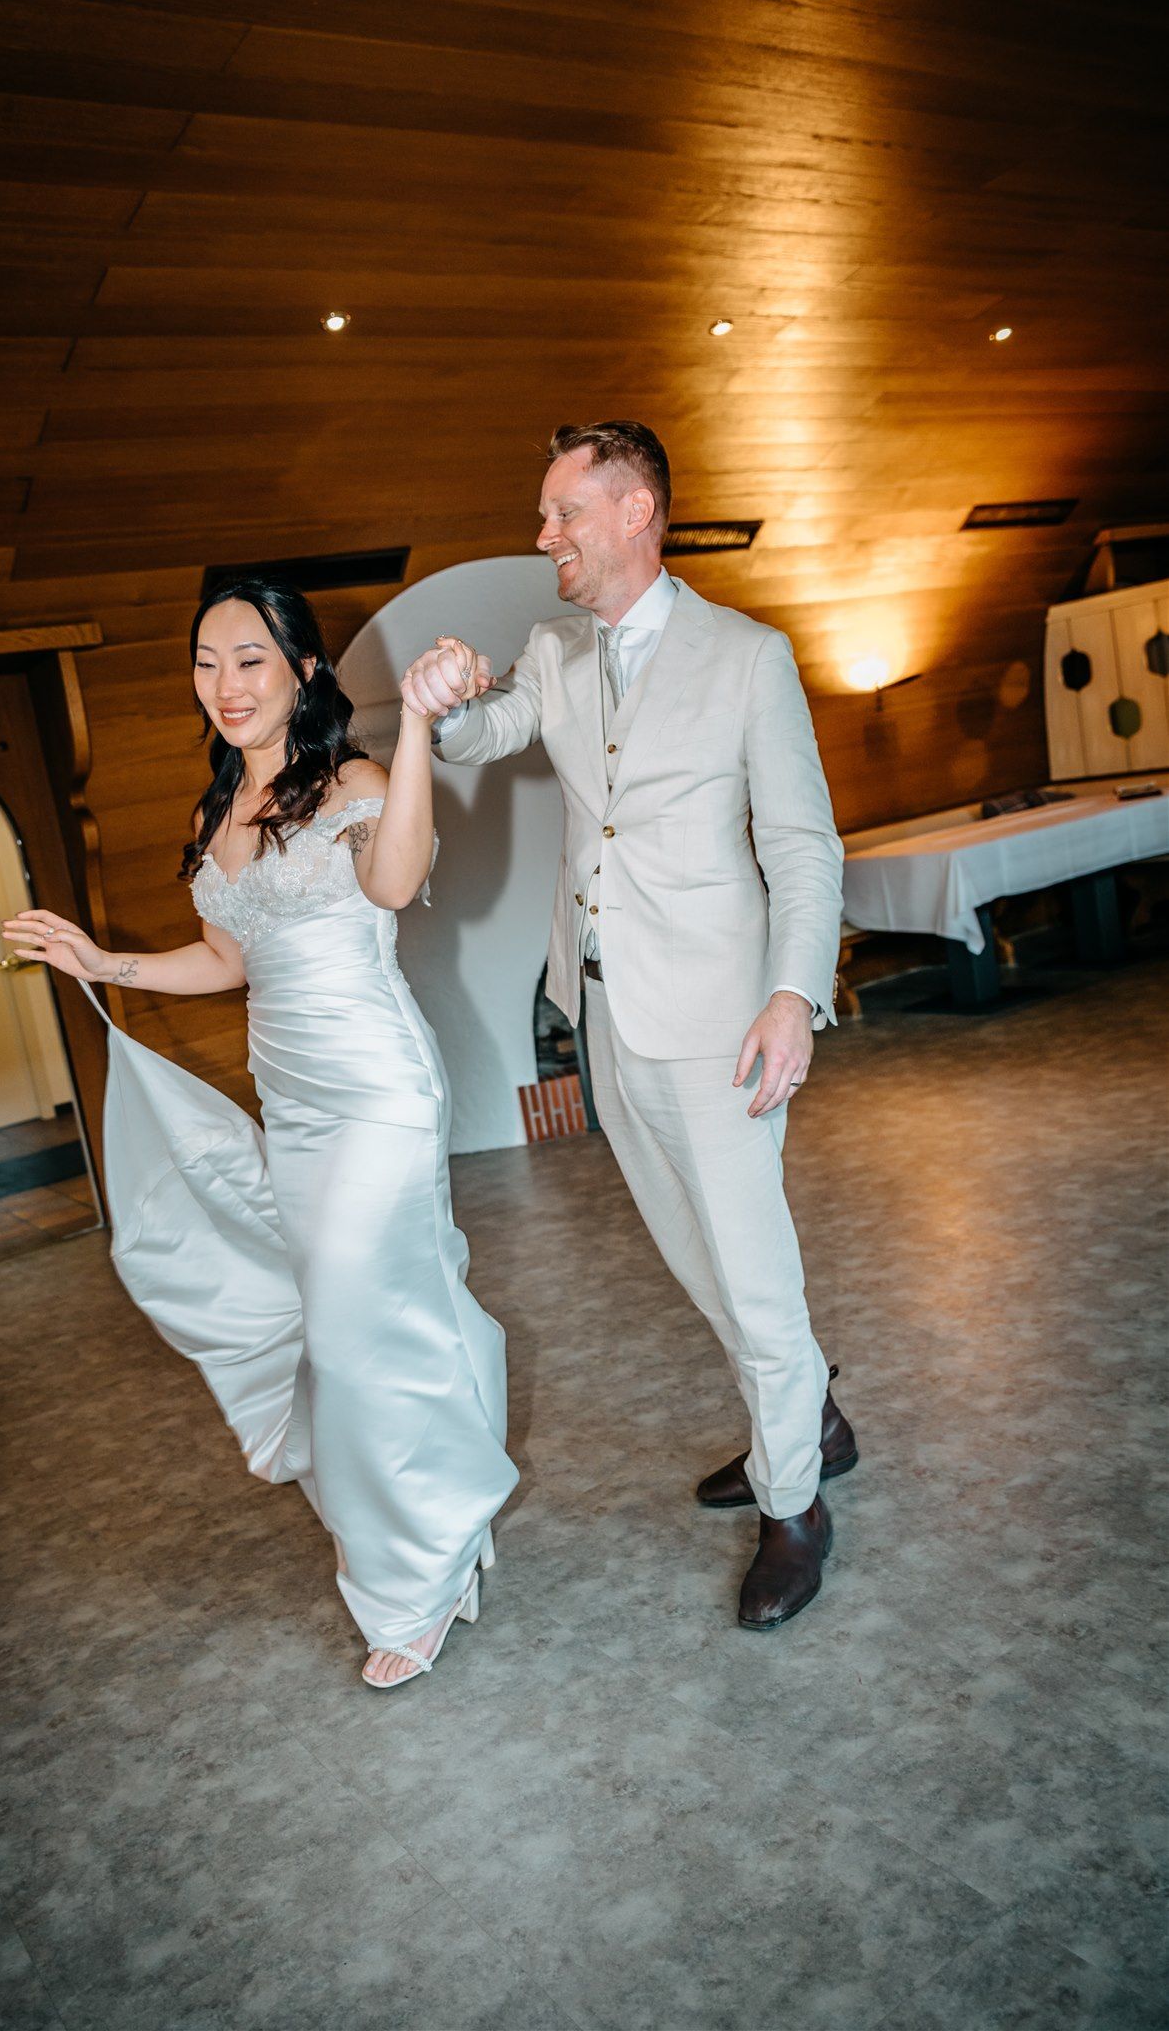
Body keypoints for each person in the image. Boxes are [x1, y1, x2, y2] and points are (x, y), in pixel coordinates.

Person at [3, 578, 517, 1687]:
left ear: (303, 670)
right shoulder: (211, 811)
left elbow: (393, 881)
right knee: (379, 1319)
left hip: (377, 1088)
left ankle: (409, 1588)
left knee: (344, 1330)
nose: (226, 683)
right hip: (292, 1103)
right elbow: (230, 960)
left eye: (250, 658)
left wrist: (419, 729)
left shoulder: (355, 781)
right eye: (206, 660)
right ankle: (448, 1507)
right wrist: (105, 962)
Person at [402, 421, 856, 1629]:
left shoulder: (748, 658)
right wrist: (445, 701)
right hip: (605, 1018)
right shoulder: (553, 652)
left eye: (563, 511)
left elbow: (802, 847)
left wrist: (790, 995)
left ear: (637, 509)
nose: (543, 533)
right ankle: (805, 1413)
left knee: (754, 1277)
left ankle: (795, 1501)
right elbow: (479, 738)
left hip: (723, 1024)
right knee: (694, 1259)